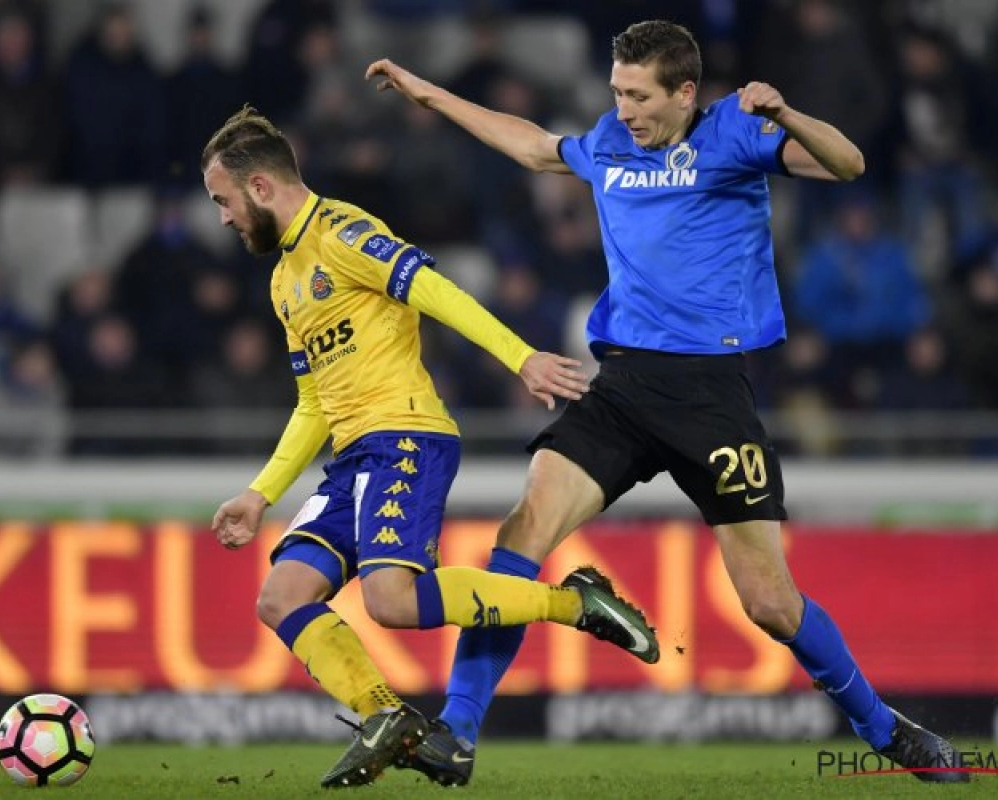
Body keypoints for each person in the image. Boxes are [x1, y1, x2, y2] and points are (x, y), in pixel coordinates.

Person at [366, 19, 968, 786]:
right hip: (620, 385)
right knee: (521, 534)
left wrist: (783, 114)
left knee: (771, 606)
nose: (625, 110)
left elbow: (847, 165)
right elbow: (531, 145)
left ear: (686, 93)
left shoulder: (735, 136)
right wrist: (430, 94)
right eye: (617, 92)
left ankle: (889, 734)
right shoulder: (612, 143)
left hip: (709, 394)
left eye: (640, 96)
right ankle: (457, 730)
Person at [201, 106, 659, 788]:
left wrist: (521, 358)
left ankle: (576, 604)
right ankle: (388, 717)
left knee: (391, 599)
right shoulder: (283, 282)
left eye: (224, 200)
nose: (223, 217)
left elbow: (437, 291)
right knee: (280, 596)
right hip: (352, 457)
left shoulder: (346, 232)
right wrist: (260, 492)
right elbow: (312, 404)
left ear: (261, 187)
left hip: (406, 435)